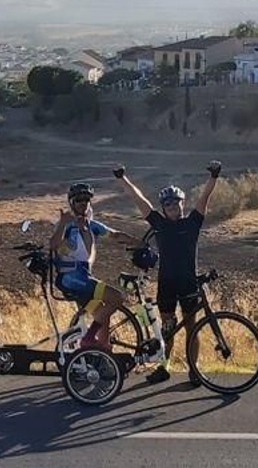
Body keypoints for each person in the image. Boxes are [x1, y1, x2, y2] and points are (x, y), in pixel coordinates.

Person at [114, 161, 222, 384]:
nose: (174, 208)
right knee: (168, 327)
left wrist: (214, 177)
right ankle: (164, 367)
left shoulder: (191, 223)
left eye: (177, 204)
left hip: (188, 282)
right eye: (169, 205)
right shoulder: (160, 224)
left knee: (192, 328)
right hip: (167, 283)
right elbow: (139, 200)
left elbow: (204, 199)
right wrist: (122, 178)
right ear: (163, 208)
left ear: (182, 205)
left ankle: (195, 369)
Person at [49, 181, 140, 351]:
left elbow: (115, 235)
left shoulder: (92, 226)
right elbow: (53, 245)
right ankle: (89, 339)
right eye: (79, 200)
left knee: (102, 315)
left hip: (82, 277)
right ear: (72, 203)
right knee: (117, 298)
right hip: (73, 278)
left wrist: (140, 243)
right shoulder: (67, 225)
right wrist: (62, 223)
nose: (83, 203)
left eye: (86, 200)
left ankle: (102, 352)